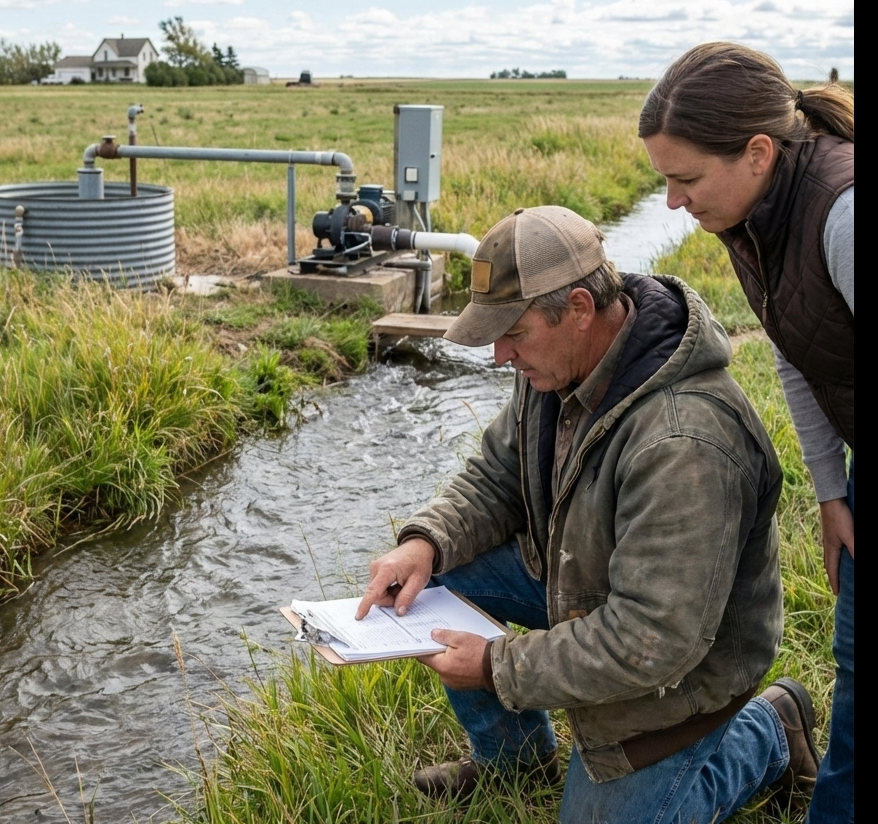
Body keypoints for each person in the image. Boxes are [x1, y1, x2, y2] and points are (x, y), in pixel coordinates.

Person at [356, 205, 819, 824]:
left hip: (683, 667)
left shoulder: (684, 439)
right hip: (584, 585)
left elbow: (652, 639)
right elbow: (499, 474)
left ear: (578, 309)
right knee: (432, 578)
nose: (499, 356)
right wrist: (426, 541)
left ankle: (769, 730)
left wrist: (497, 669)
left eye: (512, 335)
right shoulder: (557, 365)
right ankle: (516, 760)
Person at [638, 42, 853, 824]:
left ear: (757, 152)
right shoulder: (754, 217)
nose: (670, 201)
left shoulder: (843, 213)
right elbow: (800, 355)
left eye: (685, 178)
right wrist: (830, 491)